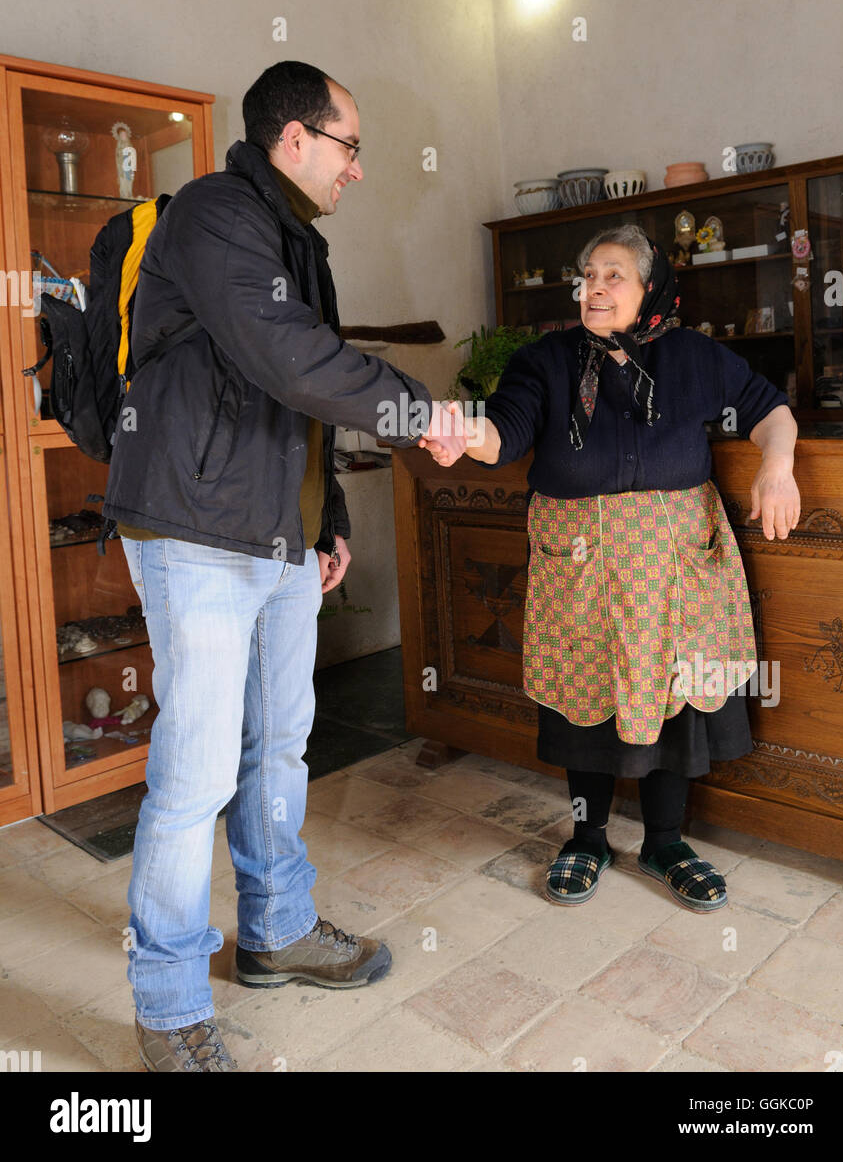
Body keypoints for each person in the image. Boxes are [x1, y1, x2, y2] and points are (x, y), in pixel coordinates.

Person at [103, 61, 451, 1072]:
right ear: (293, 137)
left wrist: (328, 513)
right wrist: (423, 415)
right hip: (195, 528)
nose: (357, 168)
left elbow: (295, 398)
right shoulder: (216, 214)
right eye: (349, 145)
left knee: (278, 746)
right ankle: (167, 1003)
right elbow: (288, 358)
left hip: (277, 536)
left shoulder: (301, 241)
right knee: (197, 770)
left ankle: (274, 931)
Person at [419, 223, 799, 914]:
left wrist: (777, 466)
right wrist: (463, 431)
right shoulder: (546, 361)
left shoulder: (690, 355)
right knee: (584, 695)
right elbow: (503, 429)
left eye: (612, 275)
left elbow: (767, 408)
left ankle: (663, 842)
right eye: (587, 274)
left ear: (649, 286)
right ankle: (587, 837)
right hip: (581, 565)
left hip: (675, 567)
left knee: (675, 701)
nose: (593, 286)